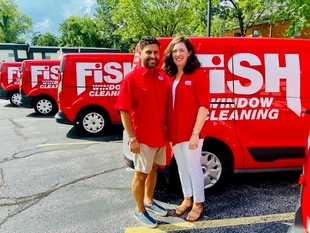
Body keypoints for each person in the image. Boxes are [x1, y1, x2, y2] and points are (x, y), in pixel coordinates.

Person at [115, 36, 169, 228]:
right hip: (142, 138)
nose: (153, 56)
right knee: (140, 174)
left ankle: (149, 200)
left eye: (156, 52)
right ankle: (140, 210)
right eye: (149, 52)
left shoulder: (162, 77)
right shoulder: (131, 78)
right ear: (140, 54)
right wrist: (132, 138)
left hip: (160, 136)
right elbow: (123, 110)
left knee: (154, 169)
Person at [162, 36, 209, 222]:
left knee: (193, 167)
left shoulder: (198, 73)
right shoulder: (170, 75)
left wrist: (195, 134)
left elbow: (204, 106)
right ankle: (187, 198)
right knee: (182, 168)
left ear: (189, 52)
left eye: (181, 50)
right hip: (174, 131)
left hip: (192, 133)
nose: (178, 54)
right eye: (174, 51)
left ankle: (198, 203)